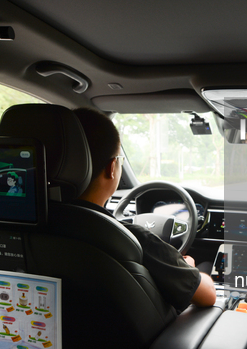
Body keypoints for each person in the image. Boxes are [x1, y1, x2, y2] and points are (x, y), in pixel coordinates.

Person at [72, 107, 216, 310]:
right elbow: (208, 295)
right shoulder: (134, 240)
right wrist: (188, 268)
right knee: (205, 268)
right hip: (151, 339)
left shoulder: (28, 224)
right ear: (112, 168)